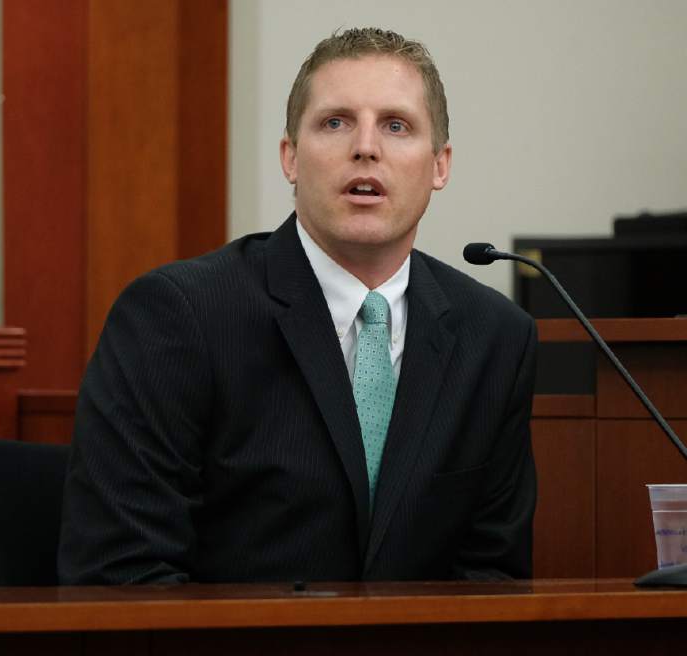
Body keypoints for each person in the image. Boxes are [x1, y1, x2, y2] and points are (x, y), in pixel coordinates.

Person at [58, 27, 537, 584]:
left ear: (439, 165)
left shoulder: (494, 337)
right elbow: (120, 572)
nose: (365, 147)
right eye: (335, 122)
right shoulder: (179, 315)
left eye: (396, 126)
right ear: (290, 157)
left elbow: (493, 577)